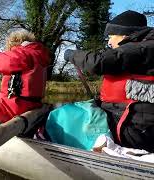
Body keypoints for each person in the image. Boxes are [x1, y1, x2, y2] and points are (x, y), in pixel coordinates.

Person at [64, 10, 154, 152]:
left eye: (112, 36)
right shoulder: (143, 48)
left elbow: (98, 62)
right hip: (135, 122)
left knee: (70, 117)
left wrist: (71, 54)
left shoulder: (141, 48)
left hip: (136, 129)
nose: (109, 42)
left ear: (125, 34)